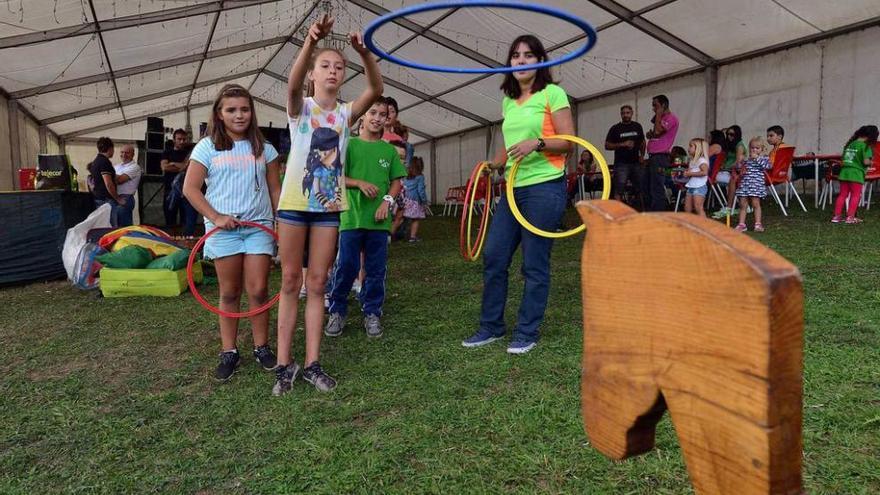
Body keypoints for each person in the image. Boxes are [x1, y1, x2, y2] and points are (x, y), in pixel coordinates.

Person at [273, 14, 382, 395]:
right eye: (325, 66)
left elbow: (377, 88)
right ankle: (283, 365)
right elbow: (290, 83)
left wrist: (364, 55)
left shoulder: (345, 113)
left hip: (328, 209)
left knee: (318, 283)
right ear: (312, 75)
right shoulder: (299, 108)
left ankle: (312, 363)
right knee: (290, 281)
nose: (332, 71)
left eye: (338, 67)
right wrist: (309, 42)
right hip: (293, 206)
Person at [461, 34, 574, 354]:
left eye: (528, 55)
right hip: (512, 189)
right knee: (495, 256)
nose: (521, 61)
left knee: (534, 263)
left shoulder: (553, 93)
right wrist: (493, 164)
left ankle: (527, 331)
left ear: (541, 61)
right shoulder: (508, 101)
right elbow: (508, 147)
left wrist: (537, 143)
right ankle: (491, 326)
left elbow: (568, 142)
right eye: (515, 56)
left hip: (545, 186)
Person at [182, 84, 281, 382]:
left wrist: (281, 224)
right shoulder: (207, 147)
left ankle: (262, 347)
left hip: (258, 228)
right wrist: (215, 217)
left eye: (245, 109)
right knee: (229, 292)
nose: (239, 115)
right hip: (223, 230)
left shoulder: (266, 149)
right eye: (232, 110)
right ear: (219, 114)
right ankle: (229, 351)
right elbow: (190, 189)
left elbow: (276, 190)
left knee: (259, 289)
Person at [325, 98, 406, 339]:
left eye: (383, 114)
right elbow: (334, 177)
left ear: (387, 119)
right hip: (351, 219)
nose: (377, 117)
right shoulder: (348, 145)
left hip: (378, 223)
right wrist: (358, 183)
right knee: (347, 266)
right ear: (363, 115)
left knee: (375, 269)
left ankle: (372, 312)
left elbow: (396, 182)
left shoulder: (389, 150)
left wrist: (387, 202)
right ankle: (337, 310)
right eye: (373, 112)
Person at [832, 125, 878, 224]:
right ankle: (850, 217)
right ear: (872, 136)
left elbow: (844, 160)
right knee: (856, 195)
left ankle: (836, 217)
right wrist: (871, 162)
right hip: (856, 173)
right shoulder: (865, 146)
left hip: (844, 172)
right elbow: (866, 162)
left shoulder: (850, 144)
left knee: (842, 195)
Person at [644, 95, 679, 211]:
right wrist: (651, 135)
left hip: (660, 156)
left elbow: (659, 131)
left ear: (663, 105)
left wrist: (658, 114)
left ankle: (659, 213)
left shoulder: (671, 118)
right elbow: (657, 133)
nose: (653, 108)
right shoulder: (661, 118)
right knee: (650, 186)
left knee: (657, 187)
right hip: (653, 156)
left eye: (656, 105)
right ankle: (653, 211)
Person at [605, 104, 645, 202]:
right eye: (623, 113)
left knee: (641, 188)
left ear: (632, 113)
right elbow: (607, 145)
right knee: (619, 189)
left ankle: (641, 210)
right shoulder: (615, 128)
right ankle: (618, 213)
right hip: (621, 164)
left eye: (627, 113)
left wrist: (642, 155)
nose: (625, 115)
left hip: (636, 163)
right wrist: (622, 144)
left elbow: (643, 142)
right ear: (620, 115)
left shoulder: (637, 126)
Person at [734, 137, 772, 232]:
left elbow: (768, 166)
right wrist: (739, 162)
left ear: (762, 149)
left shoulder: (764, 158)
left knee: (756, 204)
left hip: (756, 186)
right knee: (743, 204)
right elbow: (739, 169)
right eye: (752, 148)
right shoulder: (747, 159)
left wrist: (757, 158)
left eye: (757, 148)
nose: (754, 150)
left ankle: (758, 224)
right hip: (745, 184)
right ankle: (742, 224)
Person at [88, 136, 124, 227]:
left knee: (102, 226)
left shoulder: (95, 161)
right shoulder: (105, 162)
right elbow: (108, 183)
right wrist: (118, 198)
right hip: (106, 200)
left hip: (98, 197)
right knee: (112, 227)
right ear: (110, 148)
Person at [161, 129, 193, 229]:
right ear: (174, 140)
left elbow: (188, 167)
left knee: (186, 221)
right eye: (179, 139)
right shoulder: (167, 152)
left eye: (184, 139)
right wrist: (182, 166)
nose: (182, 141)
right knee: (170, 221)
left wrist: (173, 163)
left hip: (186, 192)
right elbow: (165, 167)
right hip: (170, 192)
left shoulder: (190, 153)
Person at [716, 125, 746, 216]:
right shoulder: (731, 144)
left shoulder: (739, 145)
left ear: (737, 134)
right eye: (727, 134)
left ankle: (729, 206)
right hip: (728, 170)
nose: (729, 136)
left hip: (735, 171)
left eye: (732, 134)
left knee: (730, 180)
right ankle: (731, 205)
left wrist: (725, 168)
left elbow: (738, 162)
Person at [113, 144, 142, 227]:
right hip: (115, 197)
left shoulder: (135, 167)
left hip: (125, 199)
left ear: (133, 154)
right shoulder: (116, 166)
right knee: (116, 226)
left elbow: (120, 180)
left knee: (124, 227)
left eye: (127, 153)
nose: (124, 155)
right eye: (122, 152)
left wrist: (107, 173)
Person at [402, 156, 428, 242]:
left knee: (402, 219)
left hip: (405, 201)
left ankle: (391, 235)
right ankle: (412, 237)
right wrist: (424, 201)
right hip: (415, 202)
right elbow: (421, 191)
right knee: (416, 219)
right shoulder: (420, 177)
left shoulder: (406, 177)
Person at [682, 138, 709, 217]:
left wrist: (690, 173)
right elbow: (692, 171)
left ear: (698, 149)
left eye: (691, 146)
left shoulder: (701, 160)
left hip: (699, 187)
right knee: (687, 208)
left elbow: (705, 172)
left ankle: (704, 225)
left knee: (698, 208)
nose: (688, 148)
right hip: (691, 186)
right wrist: (687, 173)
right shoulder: (692, 160)